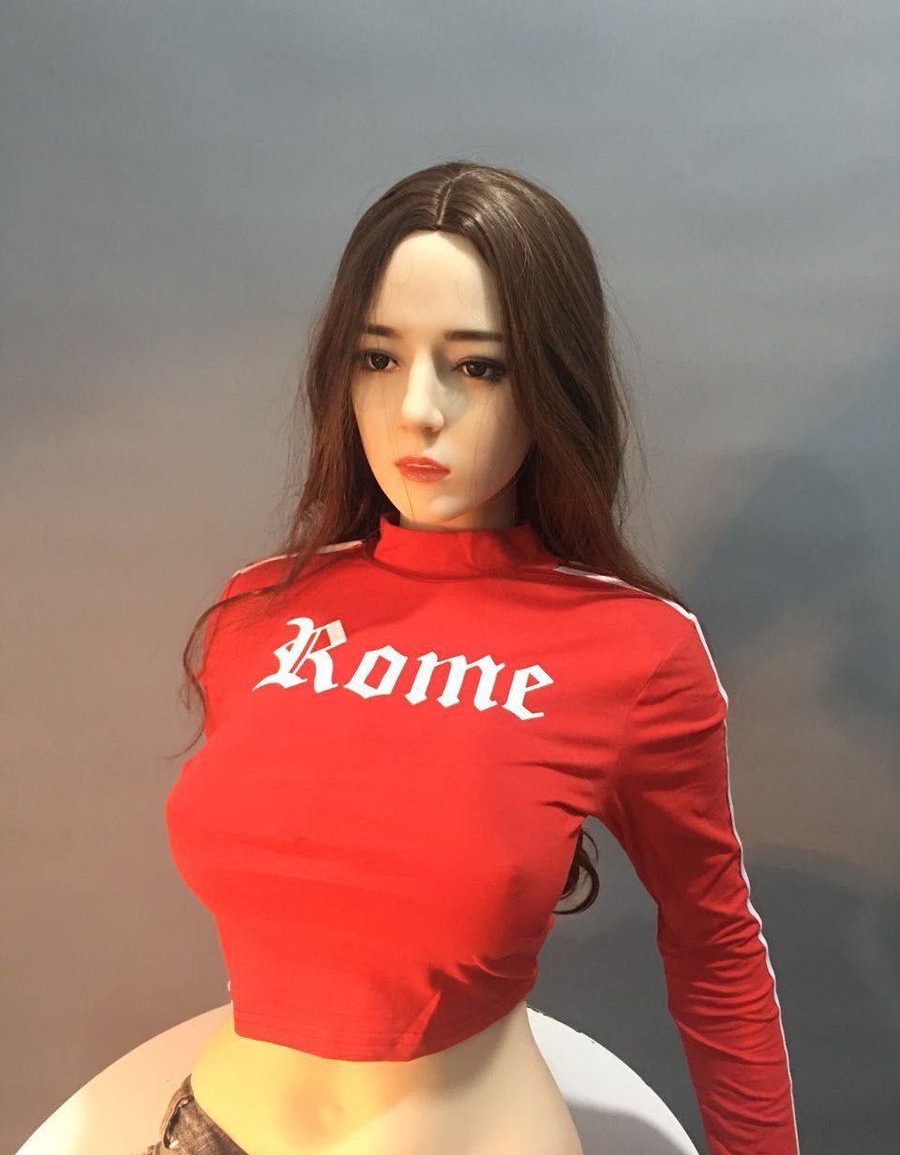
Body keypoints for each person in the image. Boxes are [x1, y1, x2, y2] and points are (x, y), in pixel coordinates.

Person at [152, 161, 800, 1155]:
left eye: (478, 366)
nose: (418, 407)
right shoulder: (258, 612)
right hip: (213, 1128)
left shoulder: (634, 651)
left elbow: (715, 951)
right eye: (378, 358)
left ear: (551, 382)